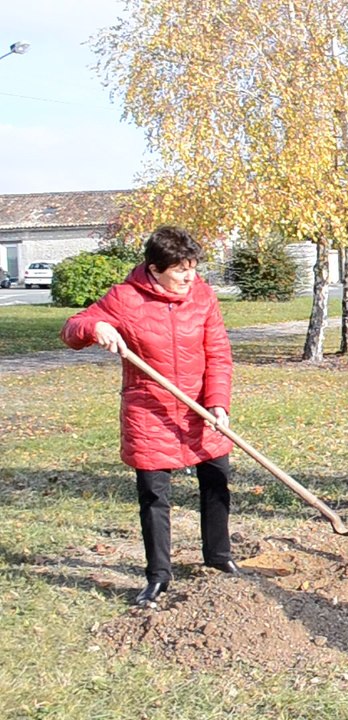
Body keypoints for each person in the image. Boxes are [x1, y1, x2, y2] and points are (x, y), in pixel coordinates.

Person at [61, 226, 238, 607]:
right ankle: (158, 574)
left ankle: (219, 556)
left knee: (217, 479)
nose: (189, 277)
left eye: (192, 268)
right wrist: (98, 326)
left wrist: (218, 403)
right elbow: (72, 329)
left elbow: (219, 354)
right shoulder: (125, 298)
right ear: (155, 269)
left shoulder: (203, 296)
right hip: (150, 412)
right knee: (154, 495)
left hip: (200, 408)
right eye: (180, 270)